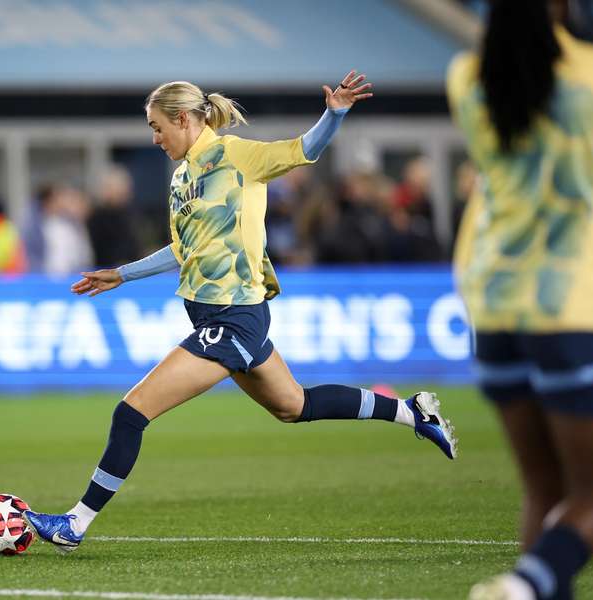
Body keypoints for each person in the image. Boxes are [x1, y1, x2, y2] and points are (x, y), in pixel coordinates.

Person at [24, 74, 458, 553]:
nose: (154, 138)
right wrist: (122, 275)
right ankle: (413, 410)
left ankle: (74, 524)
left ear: (183, 119)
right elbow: (183, 247)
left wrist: (334, 114)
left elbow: (303, 150)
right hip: (214, 319)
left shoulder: (238, 156)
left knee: (131, 413)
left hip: (235, 317)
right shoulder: (183, 176)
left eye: (157, 127)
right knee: (295, 406)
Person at [448, 2, 593, 598]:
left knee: (545, 491)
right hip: (577, 304)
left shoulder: (466, 78)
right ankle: (527, 584)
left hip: (494, 303)